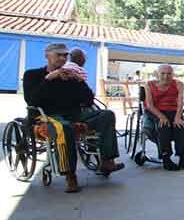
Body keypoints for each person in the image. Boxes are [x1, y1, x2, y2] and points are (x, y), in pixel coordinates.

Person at [22, 43, 124, 193]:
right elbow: (32, 101)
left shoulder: (70, 77)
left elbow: (89, 100)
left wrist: (79, 80)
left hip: (74, 113)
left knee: (106, 115)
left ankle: (107, 161)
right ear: (47, 56)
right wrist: (49, 78)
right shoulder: (32, 75)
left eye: (65, 55)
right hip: (47, 116)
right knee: (63, 127)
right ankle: (70, 175)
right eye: (59, 55)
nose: (63, 58)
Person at [143, 64, 184, 171]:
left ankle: (183, 157)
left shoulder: (179, 84)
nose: (166, 76)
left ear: (172, 74)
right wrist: (161, 116)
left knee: (179, 125)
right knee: (164, 125)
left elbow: (180, 102)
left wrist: (178, 116)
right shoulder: (149, 85)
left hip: (173, 110)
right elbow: (150, 105)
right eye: (163, 73)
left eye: (169, 74)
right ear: (157, 74)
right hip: (155, 111)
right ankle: (166, 158)